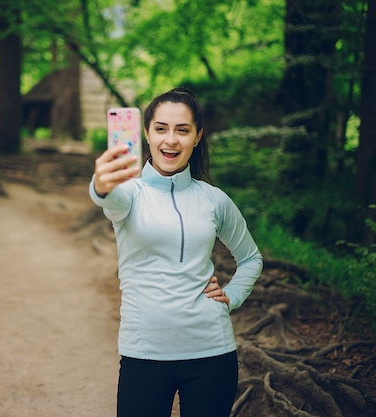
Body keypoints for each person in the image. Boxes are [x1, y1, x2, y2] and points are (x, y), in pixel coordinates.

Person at [89, 87, 263, 417]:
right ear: (146, 134)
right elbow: (108, 199)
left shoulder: (214, 199)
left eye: (182, 130)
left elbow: (251, 258)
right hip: (145, 353)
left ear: (198, 136)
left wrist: (233, 295)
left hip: (213, 351)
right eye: (161, 128)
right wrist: (101, 183)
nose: (171, 140)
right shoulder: (129, 194)